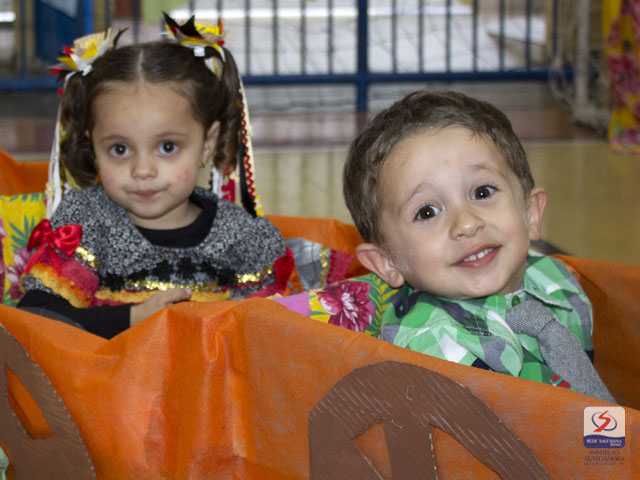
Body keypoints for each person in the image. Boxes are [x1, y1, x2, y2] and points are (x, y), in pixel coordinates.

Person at [276, 90, 615, 402]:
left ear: (530, 212)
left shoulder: (556, 280)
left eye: (482, 192)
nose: (466, 223)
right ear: (387, 262)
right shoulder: (434, 348)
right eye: (427, 212)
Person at [18, 16, 290, 339]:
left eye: (167, 146)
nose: (143, 170)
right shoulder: (86, 223)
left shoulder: (245, 238)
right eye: (120, 149)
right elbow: (37, 315)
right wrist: (133, 318)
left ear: (208, 143)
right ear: (93, 146)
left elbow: (273, 334)